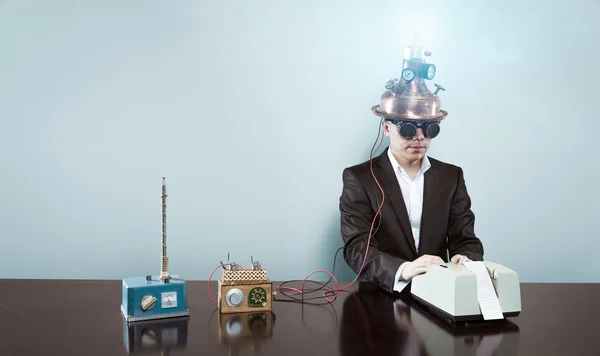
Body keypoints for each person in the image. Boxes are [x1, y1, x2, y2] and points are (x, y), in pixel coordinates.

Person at [339, 118, 484, 294]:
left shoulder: (451, 176)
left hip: (439, 292)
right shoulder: (359, 177)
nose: (420, 136)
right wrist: (403, 270)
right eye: (408, 129)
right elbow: (356, 247)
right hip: (380, 295)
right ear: (386, 128)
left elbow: (465, 238)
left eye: (429, 128)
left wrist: (465, 259)